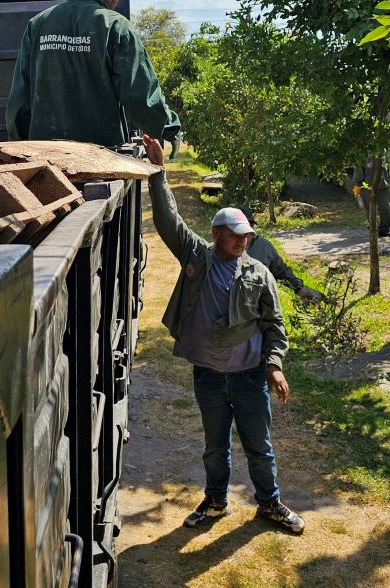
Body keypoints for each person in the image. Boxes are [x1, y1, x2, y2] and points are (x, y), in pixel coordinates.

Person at [142, 134, 306, 535]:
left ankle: (269, 504)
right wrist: (159, 174)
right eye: (234, 234)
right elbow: (168, 222)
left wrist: (274, 366)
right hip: (209, 377)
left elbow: (275, 327)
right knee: (215, 447)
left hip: (250, 376)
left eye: (246, 235)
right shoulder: (197, 256)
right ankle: (216, 501)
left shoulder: (259, 273)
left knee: (259, 448)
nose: (241, 240)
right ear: (216, 233)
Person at [5, 0, 181, 147]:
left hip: (47, 160)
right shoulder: (116, 26)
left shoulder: (38, 24)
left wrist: (20, 146)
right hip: (100, 160)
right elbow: (139, 95)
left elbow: (19, 98)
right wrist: (169, 128)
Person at [238, 208, 326, 303]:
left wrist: (299, 288)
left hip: (257, 305)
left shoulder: (263, 246)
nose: (246, 232)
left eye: (249, 226)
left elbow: (280, 271)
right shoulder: (222, 248)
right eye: (241, 228)